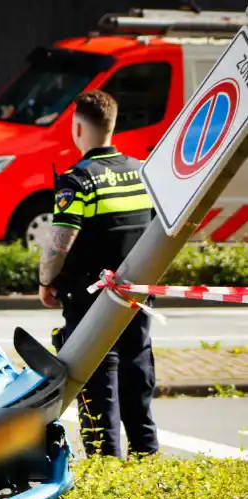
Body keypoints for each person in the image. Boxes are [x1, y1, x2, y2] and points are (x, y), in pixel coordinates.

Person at [37, 89, 158, 459]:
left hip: (89, 303)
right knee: (138, 382)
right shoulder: (142, 173)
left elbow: (60, 244)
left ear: (76, 128)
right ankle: (147, 463)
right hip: (136, 299)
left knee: (97, 393)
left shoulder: (78, 180)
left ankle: (106, 473)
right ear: (113, 124)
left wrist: (45, 282)